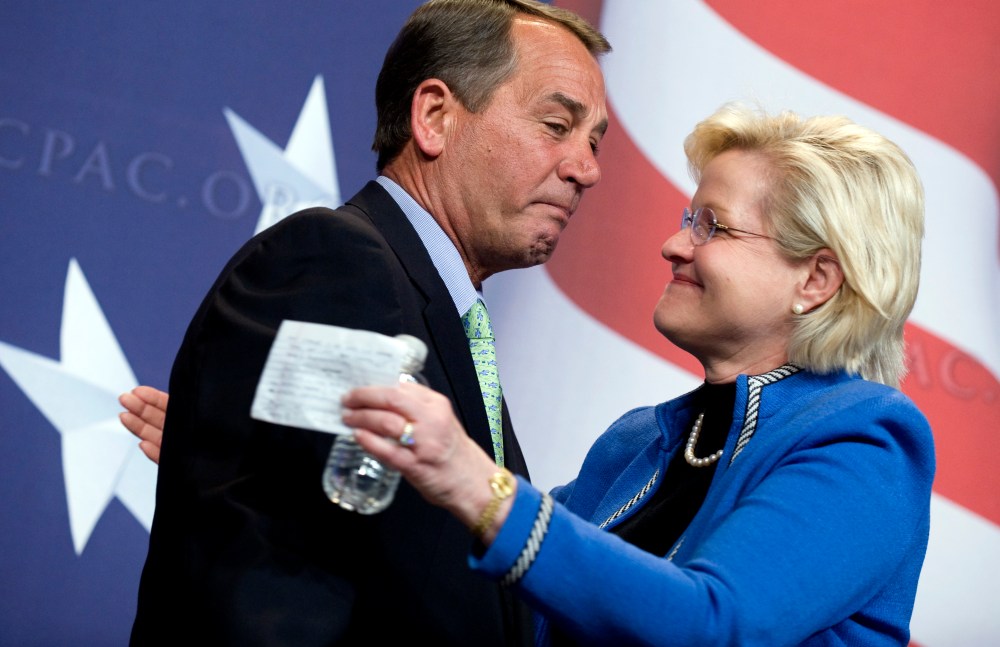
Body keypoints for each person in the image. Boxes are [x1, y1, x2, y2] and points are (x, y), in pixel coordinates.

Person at [338, 104, 935, 645]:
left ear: (815, 281)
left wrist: (477, 484)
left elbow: (714, 625)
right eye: (687, 218)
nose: (674, 244)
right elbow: (505, 603)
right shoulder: (636, 441)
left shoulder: (865, 439)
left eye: (712, 225)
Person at [129, 1, 609, 645]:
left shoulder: (447, 313)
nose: (587, 168)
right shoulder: (337, 266)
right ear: (434, 117)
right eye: (556, 125)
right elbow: (275, 567)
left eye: (594, 140)